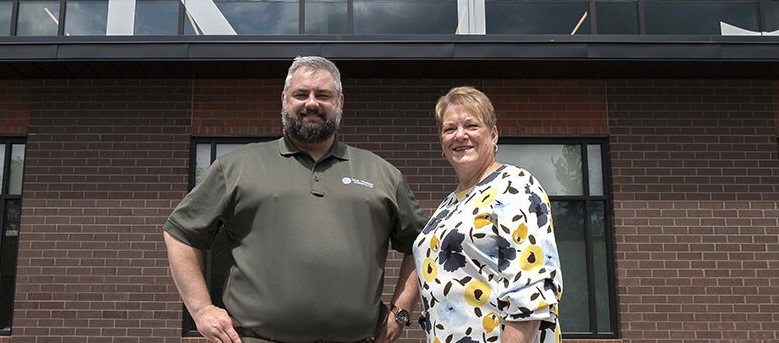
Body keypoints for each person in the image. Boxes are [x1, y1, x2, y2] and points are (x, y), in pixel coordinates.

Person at [163, 56, 428, 343]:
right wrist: (201, 309)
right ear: (284, 99)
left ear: (340, 102)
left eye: (323, 95)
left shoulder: (382, 173)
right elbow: (181, 234)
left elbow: (421, 244)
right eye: (301, 94)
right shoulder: (237, 167)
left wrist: (401, 311)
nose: (311, 103)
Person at [414, 86, 563, 343]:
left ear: (493, 135)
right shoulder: (447, 205)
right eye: (449, 129)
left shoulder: (514, 186)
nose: (460, 135)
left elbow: (531, 292)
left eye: (471, 126)